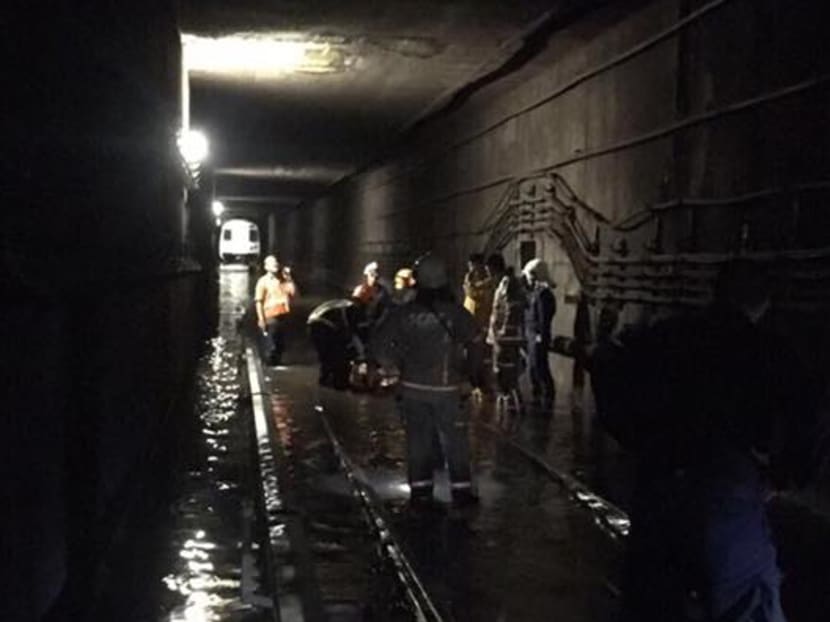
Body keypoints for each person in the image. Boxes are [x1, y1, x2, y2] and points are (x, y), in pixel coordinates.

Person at [589, 259, 815, 622]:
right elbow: (810, 414)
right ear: (764, 303)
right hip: (726, 491)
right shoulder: (768, 349)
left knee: (652, 601)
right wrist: (785, 474)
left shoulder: (667, 336)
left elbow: (607, 367)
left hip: (659, 485)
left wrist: (636, 440)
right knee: (746, 602)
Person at [372, 254, 482, 507]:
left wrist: (392, 368)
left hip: (413, 391)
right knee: (455, 442)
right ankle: (461, 493)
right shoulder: (458, 314)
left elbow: (379, 344)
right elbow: (476, 345)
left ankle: (421, 493)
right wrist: (472, 377)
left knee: (418, 442)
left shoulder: (404, 313)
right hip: (448, 391)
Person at [486, 254, 526, 419]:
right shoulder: (503, 284)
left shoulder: (509, 285)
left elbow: (512, 310)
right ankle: (510, 404)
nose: (489, 275)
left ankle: (513, 406)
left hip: (506, 339)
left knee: (506, 371)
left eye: (490, 271)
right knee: (502, 370)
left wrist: (503, 332)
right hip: (500, 337)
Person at [307, 299, 364, 390]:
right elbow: (350, 330)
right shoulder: (351, 308)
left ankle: (325, 381)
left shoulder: (343, 303)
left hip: (313, 325)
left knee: (326, 356)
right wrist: (359, 353)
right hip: (323, 326)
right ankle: (338, 383)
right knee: (337, 356)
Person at [522, 258, 556, 405]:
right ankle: (537, 392)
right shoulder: (535, 293)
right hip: (531, 333)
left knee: (539, 365)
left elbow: (544, 317)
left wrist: (540, 335)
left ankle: (548, 393)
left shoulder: (544, 294)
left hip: (537, 335)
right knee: (533, 367)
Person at [254, 255, 297, 366]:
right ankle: (270, 363)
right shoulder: (262, 282)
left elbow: (294, 293)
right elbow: (259, 301)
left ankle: (277, 361)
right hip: (270, 316)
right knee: (271, 344)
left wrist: (289, 278)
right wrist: (261, 319)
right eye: (272, 264)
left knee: (280, 344)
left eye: (276, 263)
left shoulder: (283, 280)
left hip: (283, 315)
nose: (275, 265)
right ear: (266, 267)